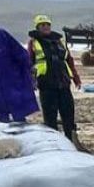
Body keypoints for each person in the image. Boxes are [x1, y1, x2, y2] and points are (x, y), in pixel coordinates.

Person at [27, 15, 83, 145]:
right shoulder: (33, 43)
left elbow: (69, 60)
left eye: (48, 25)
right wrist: (30, 81)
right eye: (42, 25)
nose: (46, 27)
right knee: (50, 118)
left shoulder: (59, 41)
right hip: (46, 84)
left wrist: (76, 78)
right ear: (38, 27)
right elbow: (28, 63)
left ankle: (71, 141)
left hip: (63, 83)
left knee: (68, 115)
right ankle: (54, 143)